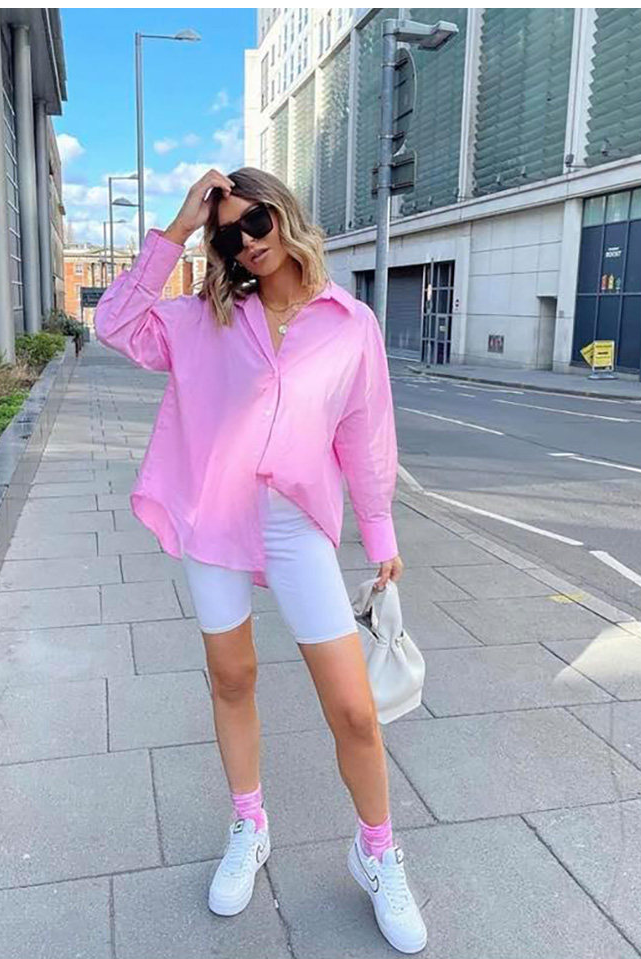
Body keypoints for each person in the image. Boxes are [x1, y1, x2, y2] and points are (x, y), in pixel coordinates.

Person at [93, 167, 427, 954]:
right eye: (229, 233)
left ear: (284, 214)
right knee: (233, 675)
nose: (246, 241)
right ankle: (250, 823)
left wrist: (380, 533)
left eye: (256, 221)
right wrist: (179, 229)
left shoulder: (349, 324)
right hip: (216, 517)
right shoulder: (206, 316)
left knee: (353, 707)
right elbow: (113, 323)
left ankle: (377, 851)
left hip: (296, 526)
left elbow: (365, 435)